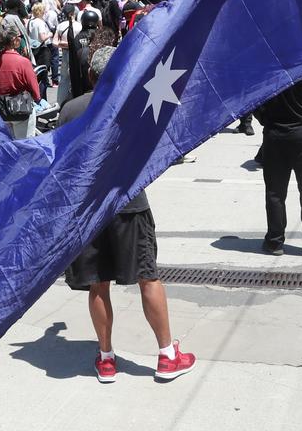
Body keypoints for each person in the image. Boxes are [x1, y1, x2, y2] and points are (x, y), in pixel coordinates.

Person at [63, 46, 196, 383]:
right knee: (147, 277)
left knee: (98, 285)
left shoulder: (70, 109)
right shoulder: (136, 107)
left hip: (88, 210)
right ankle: (167, 354)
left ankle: (106, 358)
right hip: (128, 204)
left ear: (92, 75)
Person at [254, 68, 302, 257]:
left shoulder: (266, 68)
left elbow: (253, 101)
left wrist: (266, 118)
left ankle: (275, 241)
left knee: (275, 192)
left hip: (275, 133)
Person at [0, 21, 41, 139]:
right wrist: (38, 99)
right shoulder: (23, 61)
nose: (20, 38)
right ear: (13, 39)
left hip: (3, 109)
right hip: (22, 107)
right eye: (19, 36)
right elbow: (34, 87)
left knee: (9, 145)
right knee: (25, 147)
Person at [27, 2, 53, 88]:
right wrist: (50, 34)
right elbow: (42, 37)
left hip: (33, 49)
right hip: (42, 50)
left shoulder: (30, 21)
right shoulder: (40, 22)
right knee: (43, 75)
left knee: (36, 74)